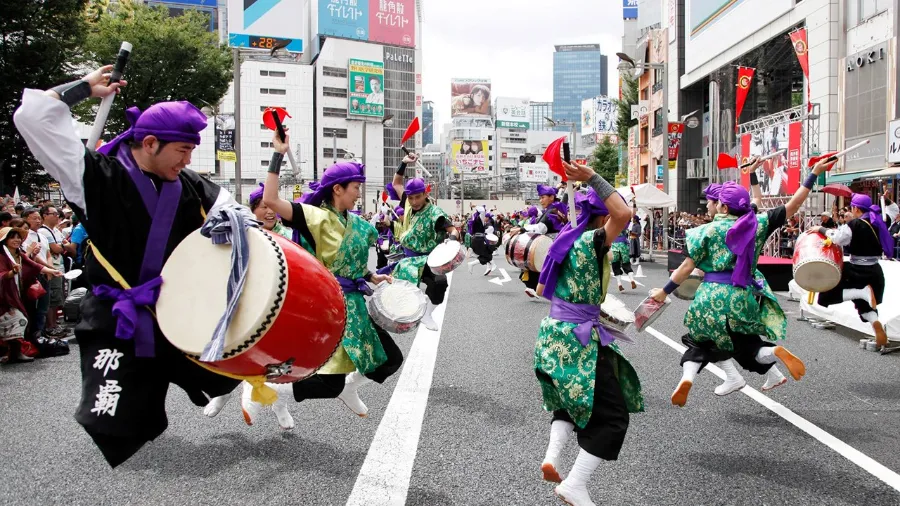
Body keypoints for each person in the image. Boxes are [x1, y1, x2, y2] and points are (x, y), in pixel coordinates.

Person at [13, 64, 242, 467]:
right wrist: (83, 88)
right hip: (115, 311)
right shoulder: (96, 176)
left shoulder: (188, 184)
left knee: (228, 366)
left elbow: (234, 211)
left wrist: (234, 225)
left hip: (171, 310)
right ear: (150, 142)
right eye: (183, 150)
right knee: (116, 416)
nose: (188, 159)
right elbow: (32, 115)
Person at [232, 130, 400, 425]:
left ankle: (346, 388)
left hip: (354, 305)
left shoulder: (359, 223)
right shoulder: (312, 217)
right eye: (355, 188)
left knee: (388, 360)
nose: (359, 193)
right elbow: (270, 199)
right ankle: (266, 389)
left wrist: (373, 277)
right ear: (337, 189)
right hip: (327, 306)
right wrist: (278, 153)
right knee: (327, 381)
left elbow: (357, 265)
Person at [652, 158, 834, 407]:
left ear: (724, 208)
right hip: (741, 295)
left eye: (712, 202)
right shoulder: (756, 224)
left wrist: (664, 292)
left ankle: (688, 376)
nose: (708, 206)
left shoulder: (703, 232)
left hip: (709, 297)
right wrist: (813, 174)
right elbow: (793, 205)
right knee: (745, 343)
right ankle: (770, 353)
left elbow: (686, 268)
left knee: (699, 340)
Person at [532, 162, 640, 506]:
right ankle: (574, 484)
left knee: (569, 401)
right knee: (612, 415)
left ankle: (552, 456)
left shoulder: (562, 241)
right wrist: (592, 177)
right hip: (578, 340)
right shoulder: (592, 241)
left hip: (552, 335)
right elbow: (623, 213)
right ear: (601, 218)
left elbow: (540, 289)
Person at [381, 153, 459, 331]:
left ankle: (428, 313)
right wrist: (403, 163)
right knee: (397, 295)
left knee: (440, 283)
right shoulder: (408, 204)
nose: (414, 201)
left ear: (425, 194)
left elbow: (453, 229)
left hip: (429, 260)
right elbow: (397, 183)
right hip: (408, 260)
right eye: (411, 198)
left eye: (418, 197)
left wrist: (452, 240)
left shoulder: (435, 213)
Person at [815, 193, 894, 348]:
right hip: (875, 271)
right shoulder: (880, 221)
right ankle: (875, 322)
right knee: (864, 306)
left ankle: (862, 292)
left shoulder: (855, 225)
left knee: (826, 294)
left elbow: (837, 238)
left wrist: (821, 229)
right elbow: (893, 212)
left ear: (855, 208)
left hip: (856, 270)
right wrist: (887, 200)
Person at [0, 227, 63, 363]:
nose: (17, 240)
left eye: (18, 237)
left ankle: (14, 354)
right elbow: (2, 274)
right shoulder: (1, 256)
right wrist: (12, 272)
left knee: (19, 321)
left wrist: (52, 271)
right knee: (18, 320)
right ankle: (12, 354)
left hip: (14, 295)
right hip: (3, 297)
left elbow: (34, 265)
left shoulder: (19, 254)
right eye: (13, 237)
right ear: (5, 241)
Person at [509, 184, 568, 299]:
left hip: (553, 244)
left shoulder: (553, 210)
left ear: (551, 197)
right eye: (540, 198)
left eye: (543, 197)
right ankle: (540, 289)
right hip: (552, 243)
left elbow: (541, 228)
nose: (540, 200)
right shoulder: (553, 208)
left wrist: (522, 229)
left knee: (546, 269)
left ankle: (545, 291)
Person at [468, 206, 497, 275]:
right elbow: (483, 211)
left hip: (476, 239)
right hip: (479, 239)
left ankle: (492, 265)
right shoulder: (479, 219)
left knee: (487, 253)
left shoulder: (474, 219)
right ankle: (472, 264)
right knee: (486, 255)